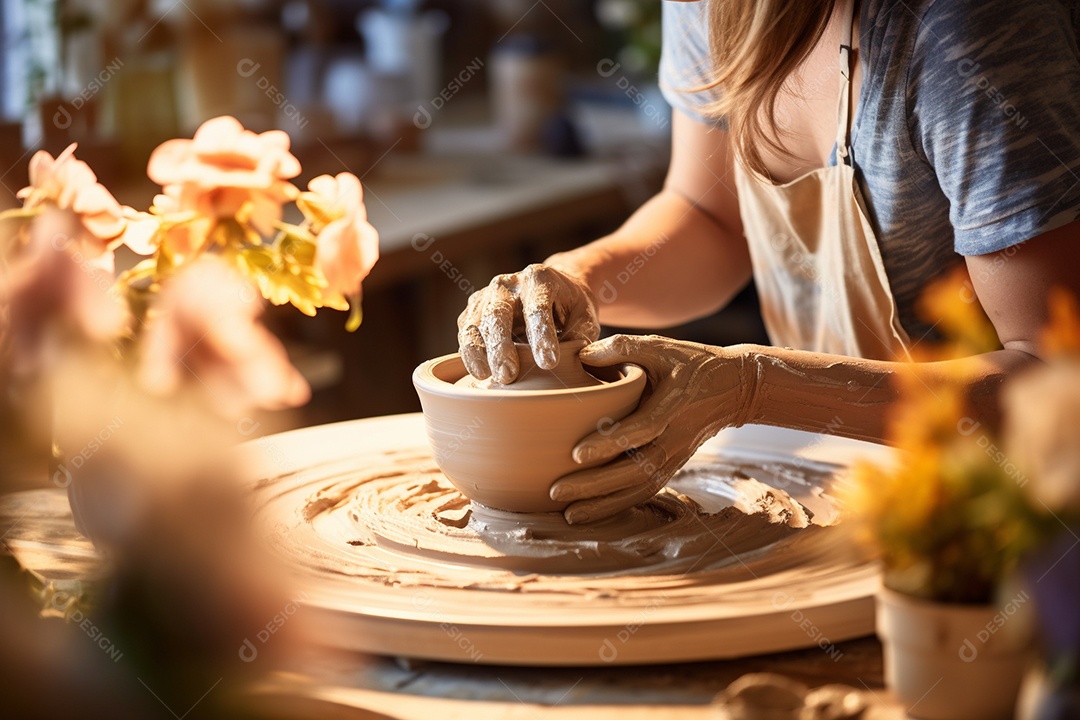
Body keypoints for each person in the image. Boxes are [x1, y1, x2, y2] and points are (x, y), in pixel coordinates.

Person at [457, 0, 1080, 525]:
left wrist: (754, 388)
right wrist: (580, 276)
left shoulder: (967, 27)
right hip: (847, 480)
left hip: (1014, 514)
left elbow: (1056, 380)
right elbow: (711, 219)